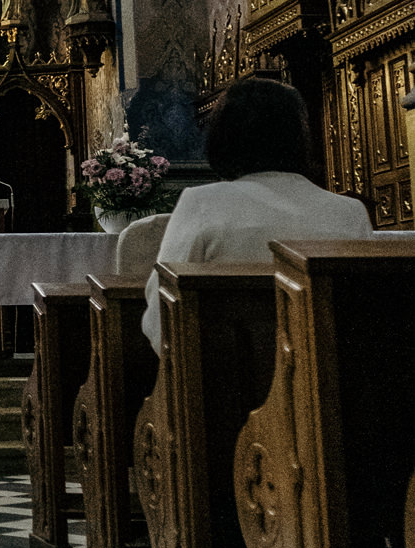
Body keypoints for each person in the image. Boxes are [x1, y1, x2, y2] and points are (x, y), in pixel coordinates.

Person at [141, 77, 372, 353]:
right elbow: (369, 318)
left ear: (224, 138)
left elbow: (161, 315)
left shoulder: (202, 203)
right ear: (300, 137)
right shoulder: (350, 213)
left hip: (228, 387)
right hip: (332, 386)